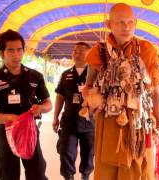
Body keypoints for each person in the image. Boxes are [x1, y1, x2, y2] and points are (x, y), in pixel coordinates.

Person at [81, 3, 159, 180]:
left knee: (137, 171)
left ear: (135, 23)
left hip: (138, 127)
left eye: (129, 22)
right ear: (109, 24)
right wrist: (90, 100)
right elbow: (87, 87)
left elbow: (156, 93)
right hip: (107, 126)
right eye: (119, 23)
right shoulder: (99, 52)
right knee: (106, 172)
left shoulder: (147, 51)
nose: (126, 27)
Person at [0, 29, 52, 180]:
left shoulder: (35, 76)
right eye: (11, 51)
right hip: (6, 132)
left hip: (29, 131)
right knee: (8, 175)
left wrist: (40, 108)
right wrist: (9, 118)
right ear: (2, 53)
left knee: (37, 173)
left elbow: (48, 104)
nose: (16, 55)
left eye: (19, 50)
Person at [53, 42, 94, 180]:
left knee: (88, 153)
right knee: (66, 152)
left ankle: (85, 176)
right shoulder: (66, 75)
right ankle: (68, 176)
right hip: (69, 121)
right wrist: (55, 117)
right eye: (75, 51)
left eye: (81, 51)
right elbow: (60, 97)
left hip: (89, 123)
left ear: (89, 54)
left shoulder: (95, 74)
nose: (77, 54)